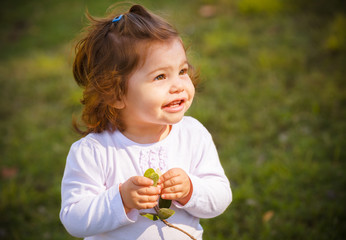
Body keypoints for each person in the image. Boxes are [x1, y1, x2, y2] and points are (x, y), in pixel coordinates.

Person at [60, 4, 232, 240]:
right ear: (116, 95)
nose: (178, 85)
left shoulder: (193, 135)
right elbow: (73, 218)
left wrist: (191, 189)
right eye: (160, 76)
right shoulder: (94, 151)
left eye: (182, 70)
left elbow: (221, 196)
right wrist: (120, 199)